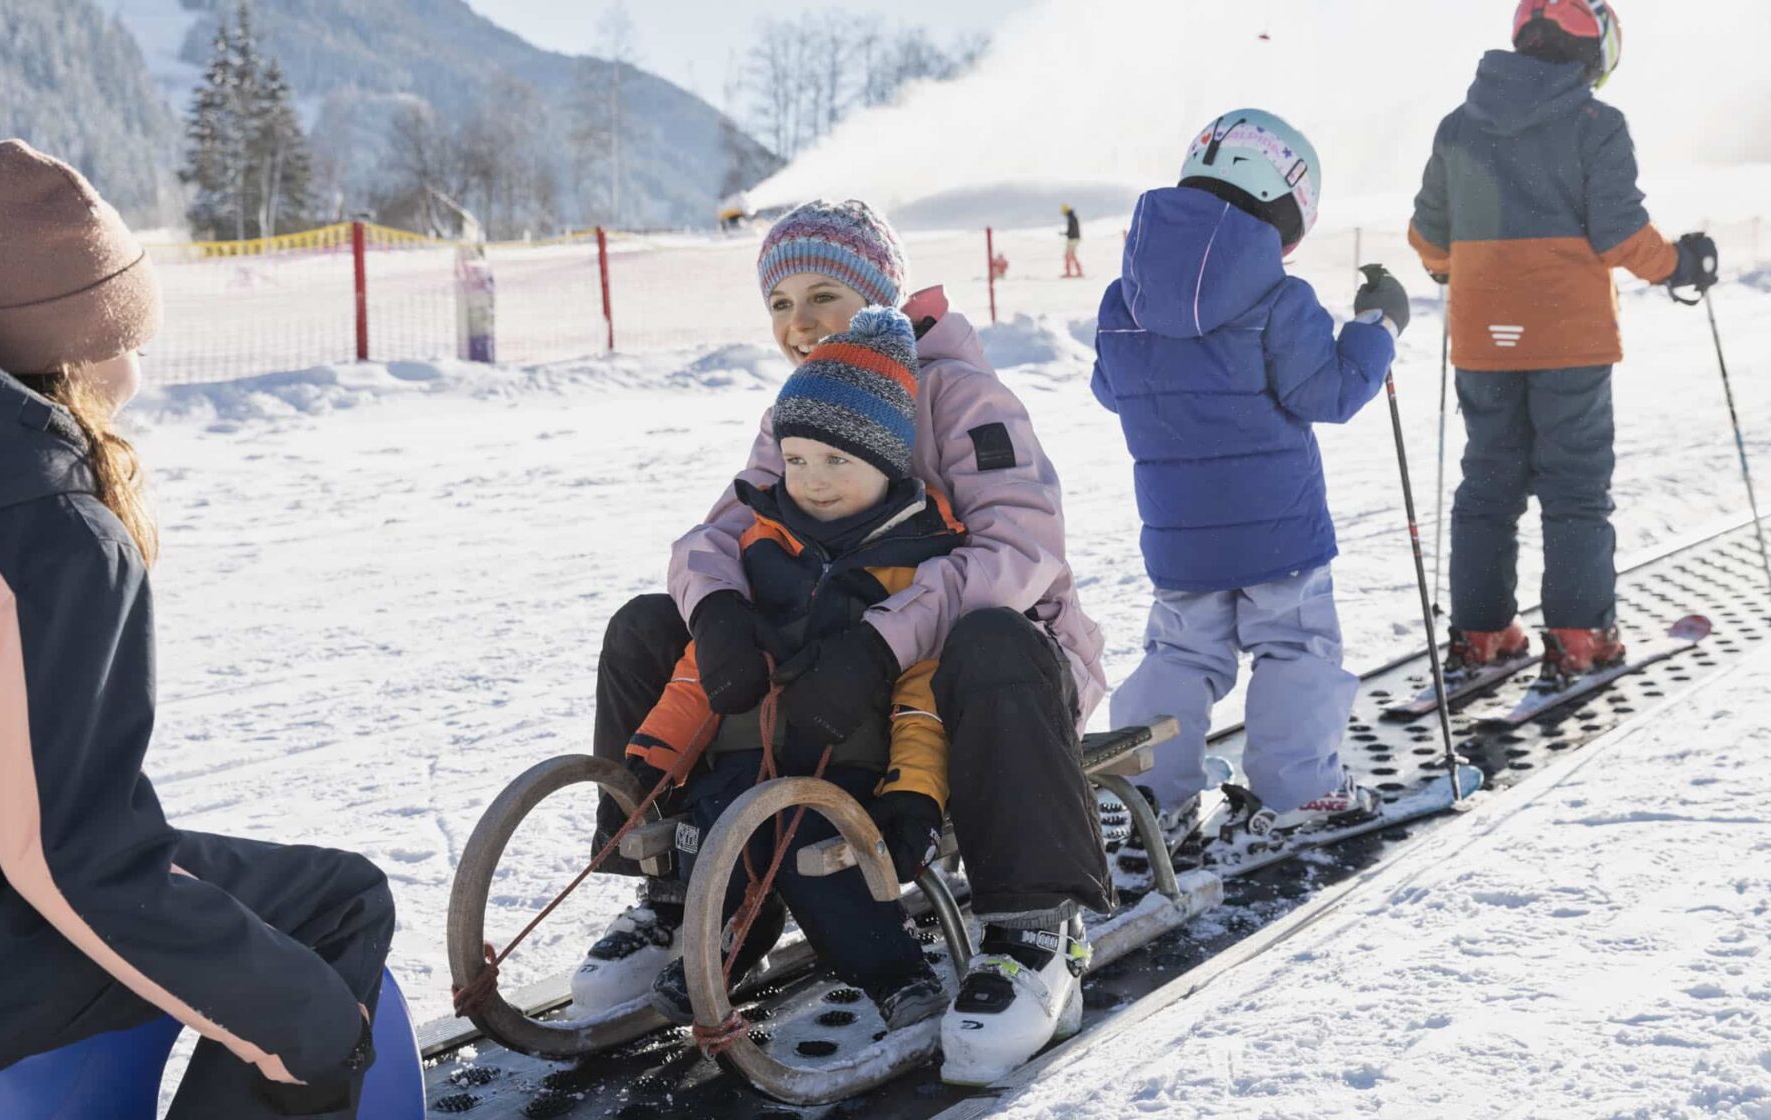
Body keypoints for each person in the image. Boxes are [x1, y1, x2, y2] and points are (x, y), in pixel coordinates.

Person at [579, 199, 1113, 1085]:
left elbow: (1020, 551)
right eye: (779, 304)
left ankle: (1036, 928)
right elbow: (720, 535)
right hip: (838, 659)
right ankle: (683, 891)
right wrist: (714, 612)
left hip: (986, 672)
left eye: (822, 294)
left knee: (990, 639)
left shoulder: (960, 395)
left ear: (879, 297)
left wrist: (877, 644)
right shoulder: (801, 404)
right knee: (648, 626)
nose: (799, 323)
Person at [0, 140, 394, 1118]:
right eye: (131, 329)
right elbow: (66, 861)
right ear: (82, 343)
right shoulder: (43, 535)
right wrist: (307, 1032)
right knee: (337, 906)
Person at [609, 307, 956, 1032]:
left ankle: (891, 971)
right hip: (744, 757)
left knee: (813, 855)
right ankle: (717, 951)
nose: (813, 482)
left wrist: (915, 792)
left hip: (848, 762)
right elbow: (694, 672)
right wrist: (649, 760)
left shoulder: (914, 562)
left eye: (837, 462)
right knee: (715, 842)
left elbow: (923, 696)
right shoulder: (763, 546)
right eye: (796, 460)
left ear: (889, 463)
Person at [1091, 110, 1408, 846]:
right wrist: (1376, 329)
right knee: (1295, 649)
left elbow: (1111, 388)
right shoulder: (1279, 299)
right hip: (1280, 533)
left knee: (1179, 653)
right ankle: (1300, 789)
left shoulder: (1123, 300)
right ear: (1288, 206)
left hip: (1178, 535)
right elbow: (1327, 394)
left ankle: (1145, 794)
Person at [1409, 0, 1719, 678]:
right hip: (1569, 340)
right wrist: (1682, 265)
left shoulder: (1458, 128)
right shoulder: (1595, 125)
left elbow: (1430, 241)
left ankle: (1483, 634)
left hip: (1485, 339)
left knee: (1488, 484)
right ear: (1596, 52)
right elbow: (1620, 235)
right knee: (1574, 488)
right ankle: (1581, 637)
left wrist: (1452, 266)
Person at [1060, 204, 1083, 279]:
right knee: (1072, 256)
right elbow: (1073, 229)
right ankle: (1079, 271)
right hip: (1075, 238)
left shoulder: (1071, 218)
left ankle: (1068, 273)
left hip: (1072, 239)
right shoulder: (1073, 217)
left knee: (1067, 256)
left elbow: (1072, 230)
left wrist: (1066, 234)